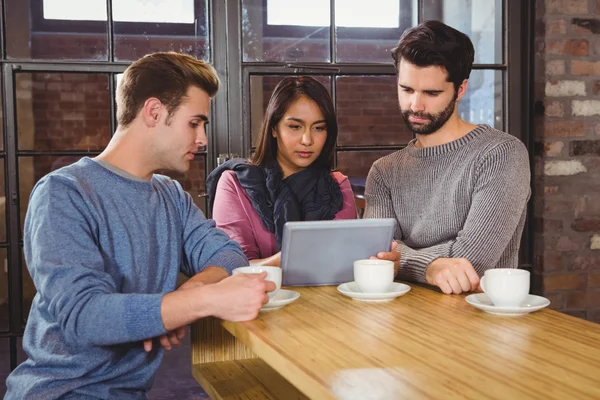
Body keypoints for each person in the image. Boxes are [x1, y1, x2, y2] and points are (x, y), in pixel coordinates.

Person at [5, 52, 275, 399]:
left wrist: (182, 299)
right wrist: (202, 302)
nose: (203, 138)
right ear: (154, 112)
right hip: (61, 392)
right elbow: (84, 316)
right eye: (194, 123)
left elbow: (227, 253)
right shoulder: (63, 193)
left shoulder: (170, 195)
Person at [368, 21, 531, 295]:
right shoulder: (384, 172)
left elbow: (469, 263)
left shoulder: (501, 155)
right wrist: (431, 267)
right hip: (401, 317)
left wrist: (404, 258)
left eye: (432, 93)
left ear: (461, 89)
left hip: (480, 322)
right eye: (407, 89)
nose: (415, 105)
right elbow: (376, 254)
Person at [206, 76, 357, 267]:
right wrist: (296, 257)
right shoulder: (234, 183)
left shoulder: (337, 186)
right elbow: (234, 267)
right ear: (274, 128)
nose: (307, 140)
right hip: (257, 296)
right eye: (295, 126)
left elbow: (342, 263)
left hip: (326, 296)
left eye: (318, 128)